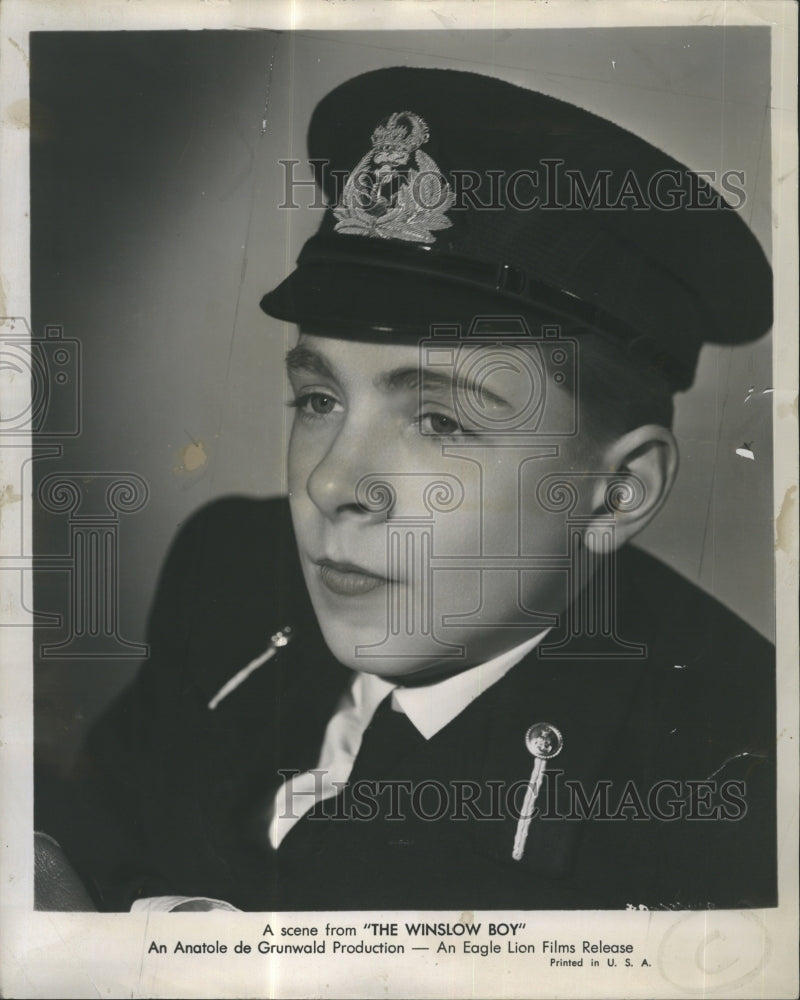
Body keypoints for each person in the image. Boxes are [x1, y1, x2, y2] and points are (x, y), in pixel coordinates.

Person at [39, 66, 776, 913]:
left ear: (614, 494)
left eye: (442, 423)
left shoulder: (732, 799)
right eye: (319, 400)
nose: (329, 482)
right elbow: (98, 833)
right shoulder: (233, 568)